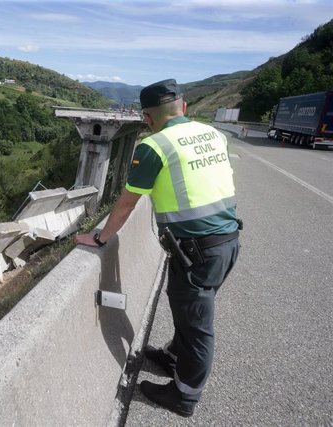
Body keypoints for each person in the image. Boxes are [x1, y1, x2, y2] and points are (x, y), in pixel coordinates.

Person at [76, 79, 240, 417]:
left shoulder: (155, 146)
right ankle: (172, 358)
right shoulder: (213, 135)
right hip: (226, 242)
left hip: (196, 250)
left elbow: (125, 204)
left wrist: (100, 238)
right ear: (184, 108)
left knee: (197, 326)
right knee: (185, 306)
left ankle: (184, 396)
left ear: (147, 118)